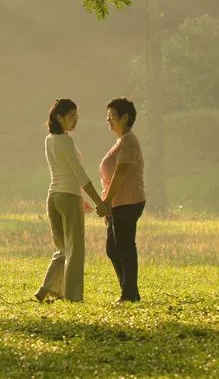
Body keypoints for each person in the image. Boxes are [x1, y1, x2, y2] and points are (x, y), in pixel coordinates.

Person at [35, 99, 109, 303]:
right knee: (75, 250)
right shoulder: (65, 142)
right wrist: (98, 202)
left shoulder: (49, 139)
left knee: (63, 249)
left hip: (54, 197)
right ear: (59, 118)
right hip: (68, 197)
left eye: (77, 118)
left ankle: (47, 288)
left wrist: (82, 198)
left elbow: (64, 172)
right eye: (71, 118)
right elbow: (79, 173)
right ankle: (73, 297)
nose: (75, 121)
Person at [100, 97, 146, 303]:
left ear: (125, 117)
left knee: (125, 246)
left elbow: (120, 173)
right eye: (107, 116)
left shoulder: (129, 141)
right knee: (112, 248)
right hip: (117, 203)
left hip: (127, 201)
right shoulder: (120, 142)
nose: (108, 120)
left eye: (111, 116)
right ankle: (129, 290)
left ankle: (129, 294)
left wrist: (107, 201)